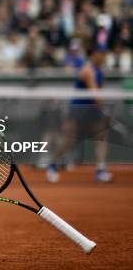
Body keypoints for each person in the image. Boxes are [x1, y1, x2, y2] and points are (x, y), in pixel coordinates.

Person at [46, 46, 113, 183]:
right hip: (78, 109)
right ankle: (52, 164)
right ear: (94, 54)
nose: (103, 57)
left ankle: (100, 170)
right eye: (100, 54)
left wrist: (102, 109)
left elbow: (99, 92)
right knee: (68, 140)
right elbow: (95, 94)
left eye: (104, 54)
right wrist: (104, 109)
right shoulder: (88, 70)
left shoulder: (100, 70)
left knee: (101, 137)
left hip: (92, 109)